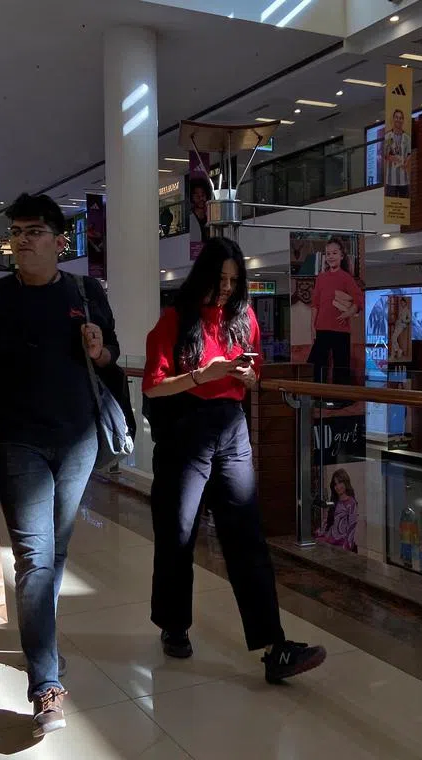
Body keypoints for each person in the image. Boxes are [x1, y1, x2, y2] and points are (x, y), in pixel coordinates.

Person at [0, 193, 130, 739]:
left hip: (77, 442)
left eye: (35, 230)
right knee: (34, 556)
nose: (23, 239)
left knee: (57, 551)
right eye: (17, 231)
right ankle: (45, 684)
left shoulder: (85, 292)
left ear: (59, 241)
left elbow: (112, 356)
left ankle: (40, 641)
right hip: (14, 443)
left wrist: (99, 352)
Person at [142, 235, 327, 685]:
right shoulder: (174, 321)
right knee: (177, 533)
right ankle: (174, 623)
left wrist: (249, 375)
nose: (226, 288)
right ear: (203, 274)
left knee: (246, 535)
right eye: (220, 279)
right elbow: (152, 385)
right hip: (186, 428)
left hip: (231, 426)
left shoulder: (242, 319)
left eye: (233, 280)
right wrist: (199, 375)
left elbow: (255, 375)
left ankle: (273, 645)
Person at [308, 237, 362, 385]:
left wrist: (348, 313)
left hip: (341, 329)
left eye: (334, 253)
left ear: (341, 255)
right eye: (328, 254)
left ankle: (341, 398)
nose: (331, 256)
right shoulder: (321, 278)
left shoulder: (346, 278)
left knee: (341, 366)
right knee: (316, 364)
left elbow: (358, 300)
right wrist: (312, 327)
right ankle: (317, 397)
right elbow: (315, 304)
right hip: (322, 328)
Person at [384, 108, 412, 199]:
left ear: (403, 120)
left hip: (403, 179)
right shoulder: (388, 137)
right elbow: (385, 154)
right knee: (391, 207)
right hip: (391, 180)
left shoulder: (407, 138)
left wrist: (406, 162)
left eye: (400, 118)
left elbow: (409, 154)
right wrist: (392, 158)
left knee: (404, 207)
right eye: (396, 117)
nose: (398, 120)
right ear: (393, 119)